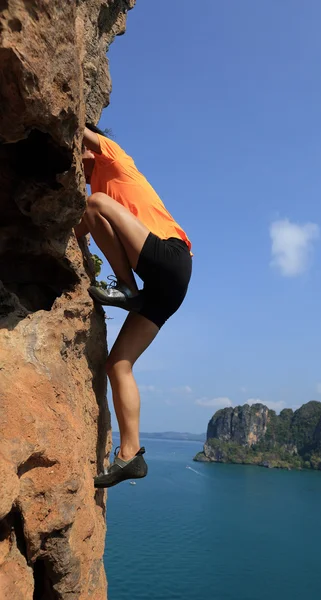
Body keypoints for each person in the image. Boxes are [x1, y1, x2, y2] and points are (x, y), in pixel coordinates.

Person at [75, 124, 192, 488]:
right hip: (164, 288)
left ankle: (126, 288)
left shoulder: (114, 156)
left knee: (94, 204)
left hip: (170, 256)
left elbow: (77, 125)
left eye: (79, 150)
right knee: (117, 364)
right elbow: (86, 226)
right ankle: (130, 455)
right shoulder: (97, 187)